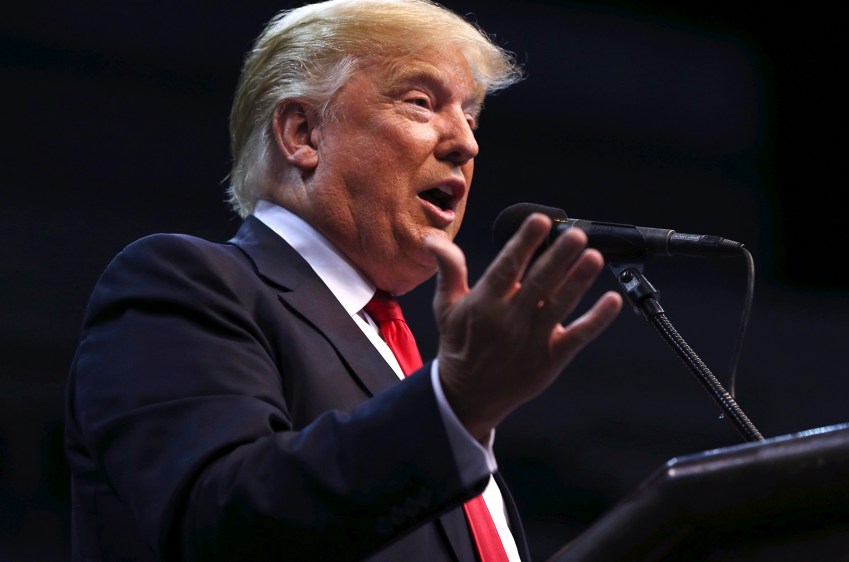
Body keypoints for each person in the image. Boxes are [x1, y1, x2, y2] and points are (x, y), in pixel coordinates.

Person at [63, 0, 623, 560]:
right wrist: (454, 406)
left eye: (471, 118)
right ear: (303, 133)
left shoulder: (403, 361)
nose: (466, 144)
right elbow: (219, 524)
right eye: (421, 103)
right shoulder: (185, 283)